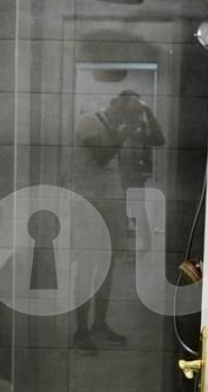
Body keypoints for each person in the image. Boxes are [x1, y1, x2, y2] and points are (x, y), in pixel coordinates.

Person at [71, 90, 165, 353]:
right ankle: (81, 331)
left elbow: (158, 139)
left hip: (112, 203)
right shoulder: (89, 122)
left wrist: (147, 111)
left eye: (134, 116)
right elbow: (102, 156)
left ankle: (99, 325)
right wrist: (124, 132)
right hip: (88, 205)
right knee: (87, 268)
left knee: (107, 267)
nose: (131, 121)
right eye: (129, 114)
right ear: (117, 106)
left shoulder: (123, 125)